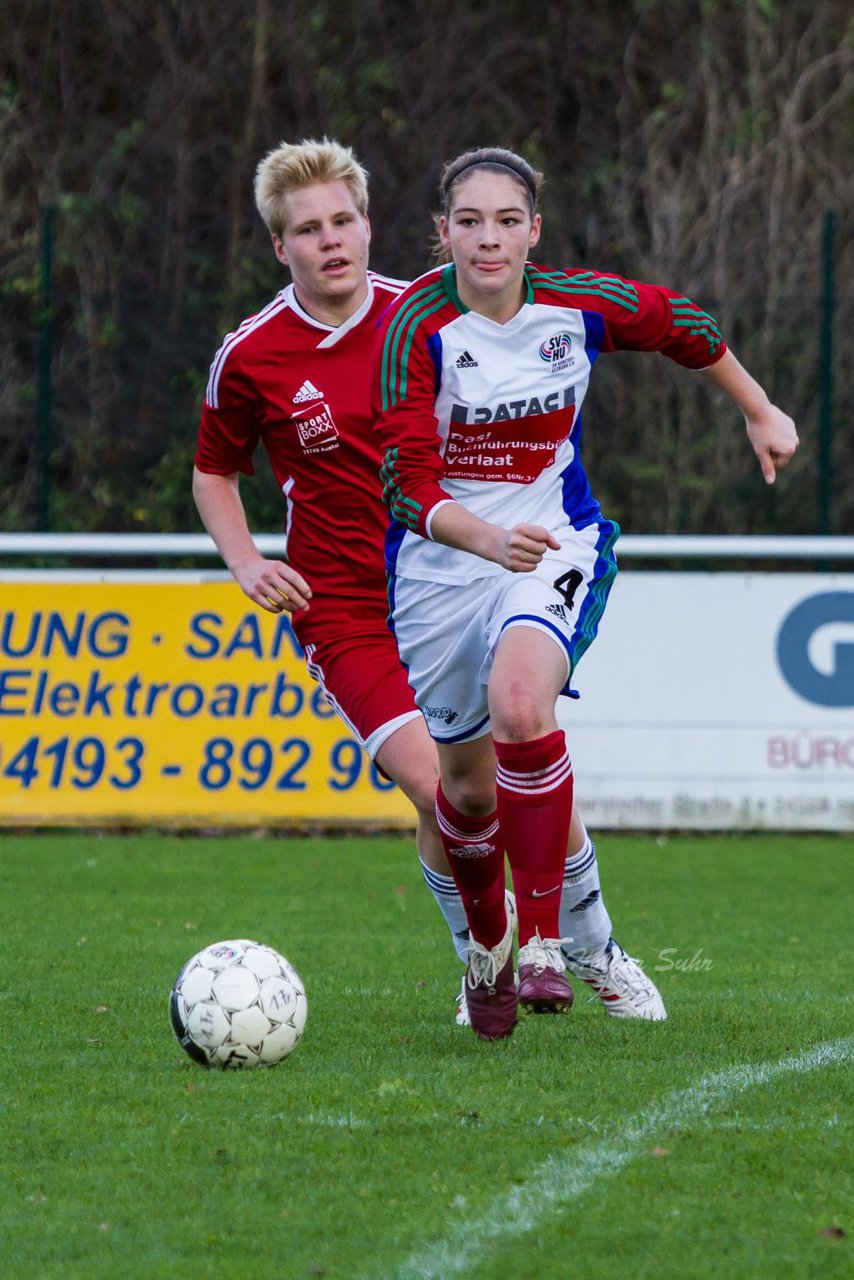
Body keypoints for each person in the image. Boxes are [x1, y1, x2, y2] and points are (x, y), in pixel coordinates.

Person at [193, 137, 667, 1029]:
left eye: (343, 221)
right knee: (446, 791)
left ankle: (595, 947)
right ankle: (479, 959)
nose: (330, 241)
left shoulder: (431, 312)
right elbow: (212, 470)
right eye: (308, 229)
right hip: (347, 609)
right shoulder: (250, 356)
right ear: (279, 246)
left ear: (371, 227)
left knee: (512, 749)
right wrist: (248, 561)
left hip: (455, 576)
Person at [372, 145, 799, 1040]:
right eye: (470, 221)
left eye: (507, 220)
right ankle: (484, 954)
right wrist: (486, 538)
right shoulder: (417, 326)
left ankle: (554, 949)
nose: (489, 240)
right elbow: (406, 486)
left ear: (536, 229)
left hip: (556, 543)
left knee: (522, 705)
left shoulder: (576, 304)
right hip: (442, 571)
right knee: (465, 793)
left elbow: (684, 324)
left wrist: (758, 407)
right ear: (441, 233)